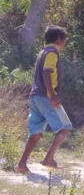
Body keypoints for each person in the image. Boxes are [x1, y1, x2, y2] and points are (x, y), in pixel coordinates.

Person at [15, 25, 72, 174]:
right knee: (64, 127)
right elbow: (47, 73)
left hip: (35, 97)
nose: (64, 43)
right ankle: (48, 159)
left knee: (36, 132)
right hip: (46, 97)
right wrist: (53, 95)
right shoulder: (53, 52)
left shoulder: (42, 52)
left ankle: (21, 164)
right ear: (59, 39)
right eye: (64, 40)